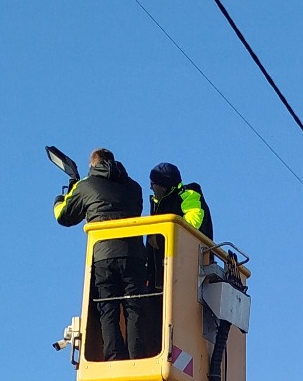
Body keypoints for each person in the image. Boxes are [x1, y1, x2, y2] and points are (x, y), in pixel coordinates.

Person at [53, 148, 155, 361]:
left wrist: (65, 194)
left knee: (107, 307)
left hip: (103, 255)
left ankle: (114, 358)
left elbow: (64, 216)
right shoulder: (134, 187)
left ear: (92, 165)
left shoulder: (86, 185)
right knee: (134, 306)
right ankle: (138, 358)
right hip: (134, 255)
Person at [149, 161, 213, 239]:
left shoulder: (189, 197)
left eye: (152, 183)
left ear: (163, 187)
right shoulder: (157, 203)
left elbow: (191, 225)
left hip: (189, 249)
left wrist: (160, 239)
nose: (151, 188)